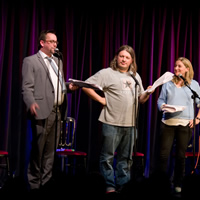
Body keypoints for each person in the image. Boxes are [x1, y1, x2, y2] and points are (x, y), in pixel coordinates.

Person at [82, 45, 153, 193]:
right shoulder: (107, 73)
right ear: (116, 57)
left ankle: (123, 186)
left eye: (127, 57)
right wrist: (101, 99)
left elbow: (141, 99)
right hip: (111, 122)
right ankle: (109, 185)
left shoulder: (135, 76)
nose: (123, 59)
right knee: (107, 157)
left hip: (130, 124)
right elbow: (85, 86)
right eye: (121, 56)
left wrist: (148, 93)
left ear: (131, 60)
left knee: (126, 159)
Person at [22, 29, 79, 190]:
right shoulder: (31, 61)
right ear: (42, 43)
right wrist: (31, 102)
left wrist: (69, 87)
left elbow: (56, 86)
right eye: (52, 41)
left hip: (56, 111)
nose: (55, 45)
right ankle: (33, 185)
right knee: (38, 150)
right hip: (40, 110)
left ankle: (45, 184)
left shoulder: (57, 61)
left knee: (50, 152)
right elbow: (26, 87)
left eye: (56, 42)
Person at [157, 57, 200, 193]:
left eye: (180, 66)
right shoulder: (168, 83)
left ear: (187, 69)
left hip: (185, 125)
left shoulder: (193, 85)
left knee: (180, 156)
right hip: (168, 123)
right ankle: (160, 184)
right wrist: (163, 106)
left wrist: (197, 119)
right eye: (175, 66)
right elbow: (160, 100)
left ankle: (178, 183)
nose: (177, 69)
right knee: (163, 155)